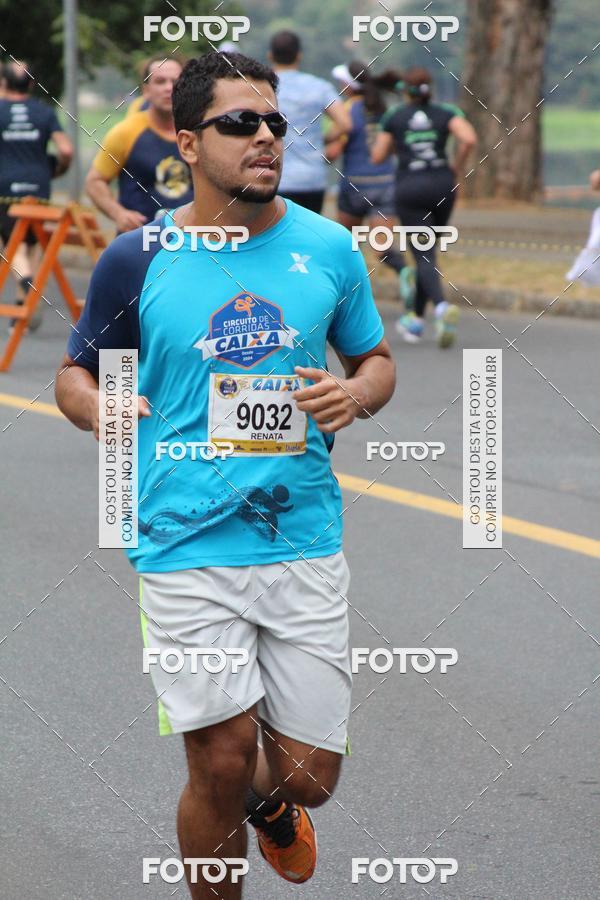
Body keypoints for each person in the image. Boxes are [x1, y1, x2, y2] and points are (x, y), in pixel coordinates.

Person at [55, 51, 395, 899]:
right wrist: (97, 409)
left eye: (275, 123)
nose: (266, 137)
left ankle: (275, 811)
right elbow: (75, 373)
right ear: (187, 138)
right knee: (220, 757)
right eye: (240, 123)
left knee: (307, 778)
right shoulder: (139, 258)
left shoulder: (328, 248)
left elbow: (377, 358)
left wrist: (356, 393)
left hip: (302, 536)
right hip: (182, 540)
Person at [371, 66, 477, 347]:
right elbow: (468, 139)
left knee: (422, 255)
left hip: (411, 188)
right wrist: (457, 167)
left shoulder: (396, 116)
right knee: (426, 253)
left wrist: (399, 144)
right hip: (443, 184)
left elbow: (378, 155)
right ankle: (416, 320)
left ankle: (441, 308)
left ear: (405, 91)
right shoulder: (447, 112)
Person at [327, 61, 416, 307]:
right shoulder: (384, 110)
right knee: (382, 247)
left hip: (355, 186)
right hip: (386, 183)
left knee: (347, 244)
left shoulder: (347, 110)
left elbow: (334, 150)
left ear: (348, 85)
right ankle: (405, 272)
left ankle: (346, 301)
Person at [0, 59, 73, 330]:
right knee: (30, 242)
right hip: (39, 186)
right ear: (32, 83)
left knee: (11, 243)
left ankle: (26, 282)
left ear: (4, 83)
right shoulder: (44, 112)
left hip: (5, 188)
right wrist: (58, 170)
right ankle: (22, 310)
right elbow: (65, 150)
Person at [86, 55, 193, 233]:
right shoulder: (125, 132)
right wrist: (119, 214)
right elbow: (94, 182)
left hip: (189, 244)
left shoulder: (200, 133)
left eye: (175, 81)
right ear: (146, 90)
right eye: (160, 81)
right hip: (139, 242)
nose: (168, 87)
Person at [268, 31, 351, 213]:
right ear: (299, 55)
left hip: (275, 179)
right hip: (313, 179)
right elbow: (345, 123)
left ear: (271, 55)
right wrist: (324, 139)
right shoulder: (319, 86)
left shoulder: (264, 87)